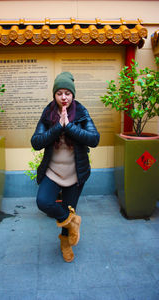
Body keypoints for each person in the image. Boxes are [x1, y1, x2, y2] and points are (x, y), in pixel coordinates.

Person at [31, 72, 100, 262]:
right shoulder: (48, 113)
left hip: (75, 173)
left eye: (67, 93)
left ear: (73, 95)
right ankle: (73, 221)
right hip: (52, 172)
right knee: (43, 202)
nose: (63, 97)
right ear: (54, 95)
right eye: (59, 93)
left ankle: (65, 244)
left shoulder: (81, 113)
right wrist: (57, 127)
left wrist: (69, 126)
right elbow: (36, 142)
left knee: (69, 208)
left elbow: (94, 139)